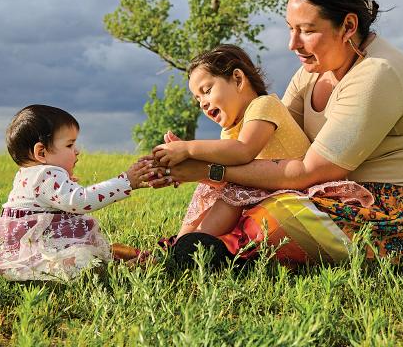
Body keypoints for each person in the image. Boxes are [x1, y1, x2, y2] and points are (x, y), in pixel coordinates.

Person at [154, 0, 403, 265]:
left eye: (307, 30)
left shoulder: (377, 74)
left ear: (348, 27)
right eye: (291, 28)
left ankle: (216, 251)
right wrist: (210, 167)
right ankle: (192, 247)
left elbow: (309, 171)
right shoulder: (310, 74)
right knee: (247, 196)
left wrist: (211, 170)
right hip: (334, 201)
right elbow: (273, 141)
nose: (293, 44)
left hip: (400, 215)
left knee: (283, 212)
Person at [151, 45, 372, 240]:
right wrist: (187, 167)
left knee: (233, 192)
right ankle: (182, 242)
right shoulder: (230, 130)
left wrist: (189, 149)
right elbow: (223, 174)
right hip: (266, 188)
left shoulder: (263, 105)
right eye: (197, 99)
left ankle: (198, 241)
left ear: (238, 79)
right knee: (214, 190)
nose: (202, 103)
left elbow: (244, 152)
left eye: (207, 91)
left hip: (299, 188)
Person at [0, 105, 150, 280]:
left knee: (86, 256)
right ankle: (121, 269)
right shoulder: (47, 174)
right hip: (41, 246)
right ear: (41, 153)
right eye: (69, 145)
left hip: (24, 244)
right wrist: (125, 182)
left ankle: (119, 260)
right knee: (83, 261)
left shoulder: (28, 173)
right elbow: (80, 201)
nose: (77, 151)